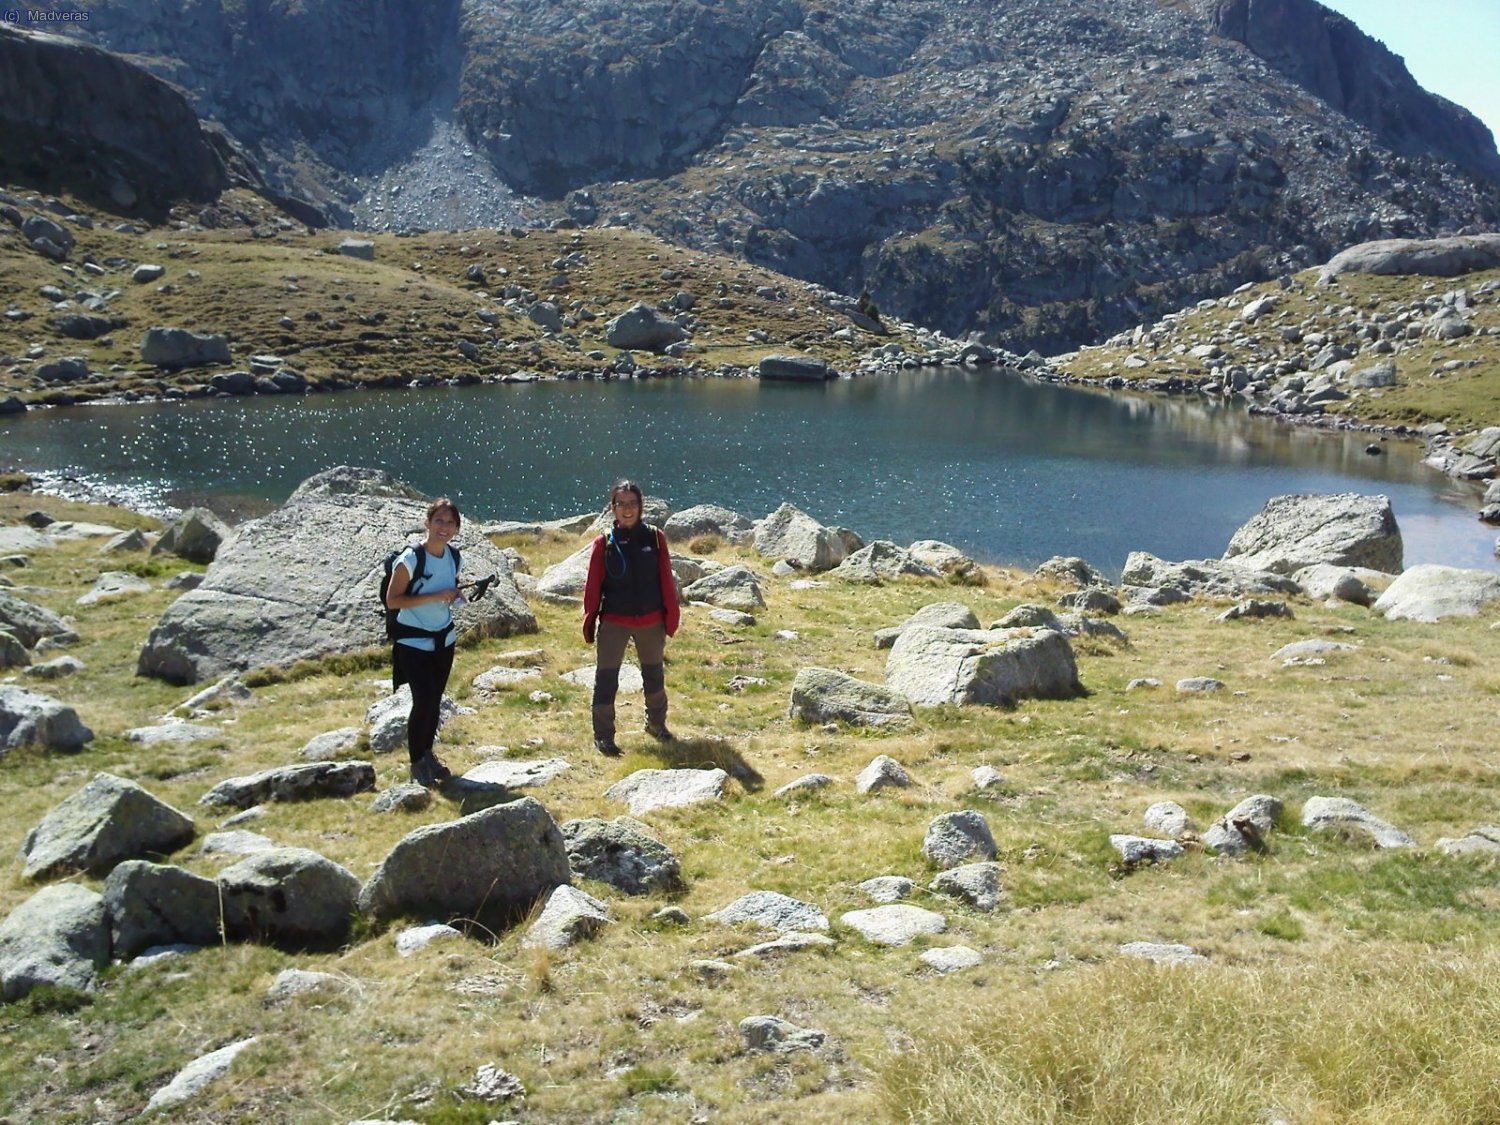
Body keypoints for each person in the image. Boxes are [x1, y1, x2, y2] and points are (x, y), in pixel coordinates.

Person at [582, 479, 680, 756]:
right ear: (612, 508)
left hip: (651, 620)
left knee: (654, 675)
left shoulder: (655, 538)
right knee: (606, 679)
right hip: (615, 620)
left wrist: (671, 616)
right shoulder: (604, 543)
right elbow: (593, 586)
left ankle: (656, 725)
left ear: (640, 506)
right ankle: (603, 736)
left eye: (632, 504)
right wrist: (590, 621)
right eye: (621, 504)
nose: (627, 510)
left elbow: (665, 580)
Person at [385, 497, 465, 787]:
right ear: (427, 523)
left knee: (435, 700)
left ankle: (428, 754)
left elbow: (449, 588)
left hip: (444, 638)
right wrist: (433, 596)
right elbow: (393, 600)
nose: (444, 527)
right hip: (413, 642)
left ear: (456, 529)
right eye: (439, 521)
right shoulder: (410, 560)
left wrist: (455, 596)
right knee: (423, 700)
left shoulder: (455, 558)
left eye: (450, 523)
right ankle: (416, 761)